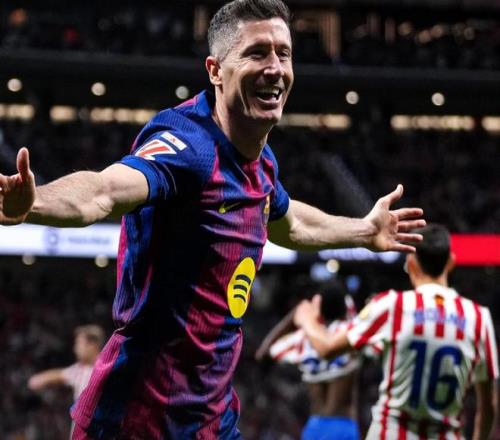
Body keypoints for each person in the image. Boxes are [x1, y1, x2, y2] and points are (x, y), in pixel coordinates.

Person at [0, 0, 425, 438]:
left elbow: (290, 222)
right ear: (216, 70)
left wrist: (364, 230)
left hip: (211, 415)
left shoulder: (261, 162)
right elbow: (104, 191)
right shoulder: (189, 146)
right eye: (257, 53)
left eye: (283, 53)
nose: (275, 68)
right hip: (139, 416)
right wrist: (34, 203)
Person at [294, 224, 498, 439]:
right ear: (451, 262)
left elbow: (327, 348)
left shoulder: (392, 306)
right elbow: (489, 405)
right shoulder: (479, 318)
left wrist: (306, 319)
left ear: (411, 264)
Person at [255, 281, 361, 440]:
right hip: (343, 426)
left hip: (314, 427)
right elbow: (353, 314)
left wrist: (295, 315)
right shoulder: (349, 335)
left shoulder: (303, 339)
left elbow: (263, 353)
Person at [28, 325, 105, 436]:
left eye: (79, 343)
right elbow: (59, 375)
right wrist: (40, 379)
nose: (75, 348)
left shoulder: (107, 369)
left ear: (92, 345)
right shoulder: (80, 369)